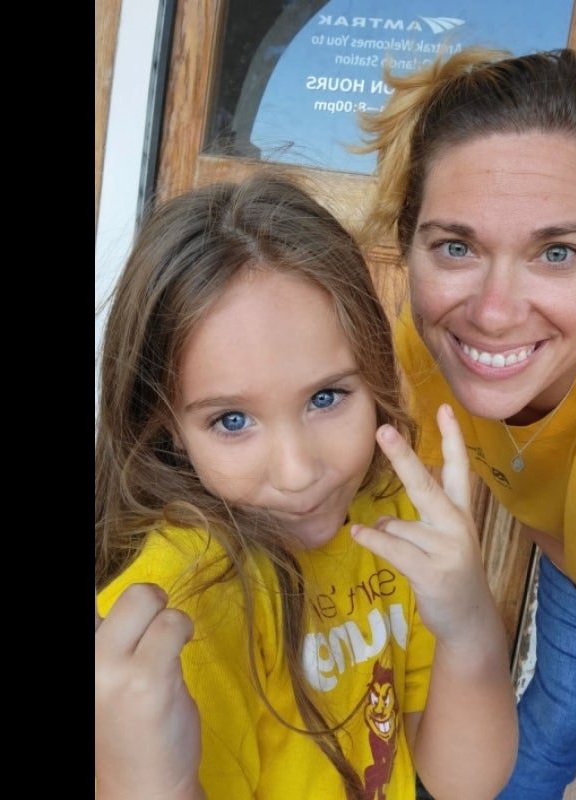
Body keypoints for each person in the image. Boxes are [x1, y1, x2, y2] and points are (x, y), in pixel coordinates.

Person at [94, 172, 518, 800]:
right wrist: (147, 784)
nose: (298, 473)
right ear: (167, 426)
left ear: (372, 370)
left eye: (326, 397)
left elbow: (465, 782)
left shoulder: (388, 516)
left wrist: (469, 623)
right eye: (232, 421)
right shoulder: (178, 613)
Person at [353, 47, 576, 799]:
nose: (494, 313)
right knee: (544, 733)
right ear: (409, 243)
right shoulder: (425, 346)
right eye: (456, 246)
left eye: (555, 252)